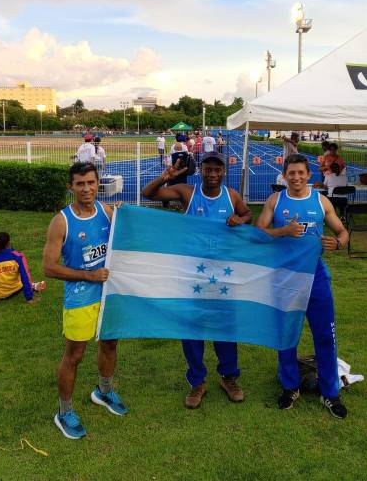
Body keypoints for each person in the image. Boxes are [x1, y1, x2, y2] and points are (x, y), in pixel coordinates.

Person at [141, 151, 253, 408]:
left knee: (224, 327)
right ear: (200, 170)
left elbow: (247, 215)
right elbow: (149, 194)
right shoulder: (187, 193)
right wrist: (163, 177)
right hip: (192, 274)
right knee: (192, 328)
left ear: (224, 171)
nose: (212, 174)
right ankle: (197, 382)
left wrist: (240, 219)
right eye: (208, 169)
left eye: (217, 169)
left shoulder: (231, 196)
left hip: (223, 274)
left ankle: (228, 377)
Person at [255, 154, 350, 419]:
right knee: (286, 336)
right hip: (284, 278)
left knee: (324, 336)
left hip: (315, 277)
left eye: (300, 173)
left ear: (309, 175)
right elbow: (258, 232)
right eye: (291, 173)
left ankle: (330, 393)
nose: (296, 177)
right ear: (284, 176)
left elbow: (342, 232)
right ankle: (290, 387)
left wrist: (338, 243)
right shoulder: (276, 200)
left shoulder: (321, 201)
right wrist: (281, 232)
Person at [43, 162, 127, 440]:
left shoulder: (107, 211)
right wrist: (88, 275)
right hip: (80, 297)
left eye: (91, 182)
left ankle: (103, 392)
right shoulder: (61, 221)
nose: (86, 188)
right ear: (71, 187)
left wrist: (127, 216)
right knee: (74, 355)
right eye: (80, 183)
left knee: (110, 343)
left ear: (97, 183)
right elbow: (49, 267)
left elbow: (128, 236)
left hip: (108, 294)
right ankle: (64, 411)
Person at [0, 231, 45, 309]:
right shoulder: (18, 256)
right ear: (8, 243)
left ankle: (34, 285)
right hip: (17, 289)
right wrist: (30, 298)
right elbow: (25, 277)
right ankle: (33, 285)